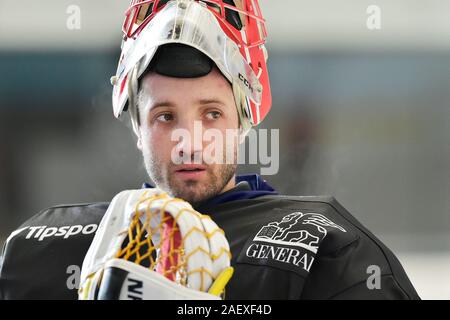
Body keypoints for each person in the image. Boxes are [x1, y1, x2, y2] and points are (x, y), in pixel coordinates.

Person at [0, 0, 419, 299]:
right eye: (165, 116)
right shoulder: (47, 248)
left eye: (212, 114)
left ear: (243, 119)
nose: (190, 141)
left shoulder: (325, 251)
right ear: (137, 127)